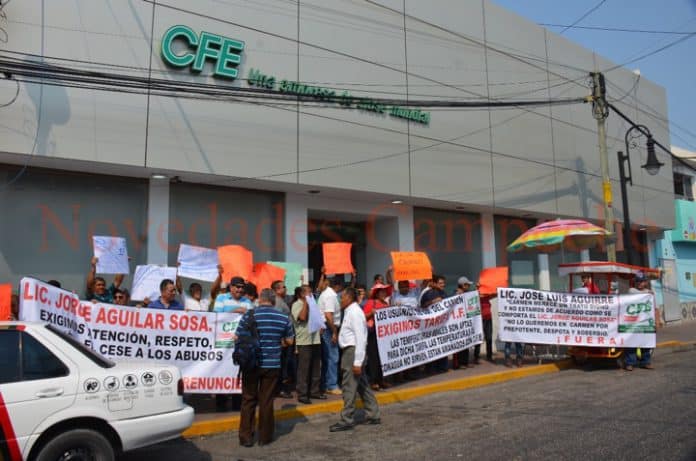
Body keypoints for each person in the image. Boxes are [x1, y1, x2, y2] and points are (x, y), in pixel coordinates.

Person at [237, 288, 294, 447]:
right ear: (274, 300)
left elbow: (238, 337)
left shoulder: (249, 315)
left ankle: (246, 437)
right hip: (272, 364)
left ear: (260, 299)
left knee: (248, 399)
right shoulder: (283, 317)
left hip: (251, 364)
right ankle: (265, 437)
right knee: (266, 400)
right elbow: (290, 341)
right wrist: (278, 343)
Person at [329, 287, 381, 432]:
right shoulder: (350, 311)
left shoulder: (355, 312)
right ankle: (373, 414)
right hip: (351, 352)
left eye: (342, 297)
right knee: (362, 385)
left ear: (349, 298)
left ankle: (347, 419)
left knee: (349, 386)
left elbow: (361, 338)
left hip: (353, 353)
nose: (340, 300)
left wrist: (357, 362)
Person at [291, 285, 323, 404]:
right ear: (301, 294)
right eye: (308, 293)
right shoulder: (296, 304)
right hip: (304, 341)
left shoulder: (314, 304)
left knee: (316, 368)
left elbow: (318, 318)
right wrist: (305, 302)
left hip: (315, 339)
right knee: (304, 369)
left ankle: (315, 391)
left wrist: (320, 326)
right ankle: (302, 394)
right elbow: (302, 317)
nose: (311, 294)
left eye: (311, 292)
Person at [363, 283, 392, 390]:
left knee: (382, 358)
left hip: (384, 335)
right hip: (373, 333)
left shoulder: (386, 303)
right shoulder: (371, 302)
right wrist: (371, 313)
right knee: (373, 358)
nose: (383, 293)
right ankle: (373, 381)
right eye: (381, 291)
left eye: (384, 291)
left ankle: (381, 380)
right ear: (377, 293)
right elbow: (363, 317)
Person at [624, 274, 656, 371]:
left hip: (645, 322)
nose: (639, 283)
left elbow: (656, 308)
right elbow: (634, 294)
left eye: (641, 281)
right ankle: (630, 363)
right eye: (637, 281)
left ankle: (646, 362)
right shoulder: (631, 290)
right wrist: (648, 294)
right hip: (632, 321)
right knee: (631, 343)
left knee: (646, 342)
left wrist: (658, 321)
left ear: (646, 282)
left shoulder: (650, 294)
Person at [318, 275, 343, 395]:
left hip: (326, 327)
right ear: (338, 286)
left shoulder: (326, 293)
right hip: (328, 328)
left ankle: (326, 384)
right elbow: (328, 315)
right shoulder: (331, 295)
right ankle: (331, 385)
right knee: (333, 357)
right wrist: (334, 332)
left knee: (328, 358)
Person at [420, 275, 449, 373]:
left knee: (442, 344)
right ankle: (431, 368)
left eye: (443, 283)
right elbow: (422, 306)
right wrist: (433, 301)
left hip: (442, 325)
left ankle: (443, 367)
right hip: (431, 325)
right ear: (435, 283)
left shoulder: (444, 293)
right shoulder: (427, 293)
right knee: (431, 346)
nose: (443, 285)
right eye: (440, 283)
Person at [272, 280, 294, 398]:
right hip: (282, 340)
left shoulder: (281, 301)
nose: (285, 289)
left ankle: (279, 387)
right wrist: (281, 338)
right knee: (280, 365)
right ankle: (278, 389)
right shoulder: (276, 302)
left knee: (283, 364)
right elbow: (277, 321)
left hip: (285, 338)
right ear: (277, 290)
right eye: (283, 287)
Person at [453, 276, 474, 369]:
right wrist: (457, 295)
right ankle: (458, 364)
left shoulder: (467, 294)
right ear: (463, 285)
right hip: (457, 323)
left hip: (466, 322)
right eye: (467, 284)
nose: (469, 286)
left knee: (466, 343)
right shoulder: (455, 293)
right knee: (459, 344)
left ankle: (465, 362)